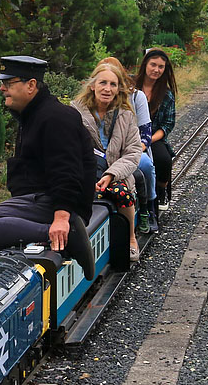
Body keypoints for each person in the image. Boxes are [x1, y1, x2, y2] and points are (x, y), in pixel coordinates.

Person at [0, 55, 94, 275]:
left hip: (52, 204)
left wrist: (61, 218)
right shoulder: (32, 115)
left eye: (8, 83)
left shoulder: (55, 117)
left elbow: (67, 171)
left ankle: (66, 234)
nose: (2, 88)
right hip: (36, 201)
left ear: (31, 85)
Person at [73, 62, 145, 262]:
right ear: (92, 85)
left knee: (122, 192)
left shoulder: (127, 116)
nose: (107, 88)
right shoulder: (74, 113)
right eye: (103, 83)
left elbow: (133, 152)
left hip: (115, 173)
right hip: (83, 173)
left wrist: (111, 174)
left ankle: (130, 237)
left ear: (118, 89)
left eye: (113, 84)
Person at [99, 56, 157, 233]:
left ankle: (150, 207)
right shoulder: (89, 104)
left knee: (145, 165)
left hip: (129, 149)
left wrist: (131, 152)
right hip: (101, 153)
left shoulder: (136, 97)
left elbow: (145, 134)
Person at [135, 48, 177, 215]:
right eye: (153, 65)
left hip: (153, 137)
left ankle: (161, 191)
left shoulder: (166, 94)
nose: (156, 70)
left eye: (161, 67)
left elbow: (167, 125)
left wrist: (148, 141)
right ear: (145, 64)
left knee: (163, 159)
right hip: (129, 135)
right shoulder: (131, 87)